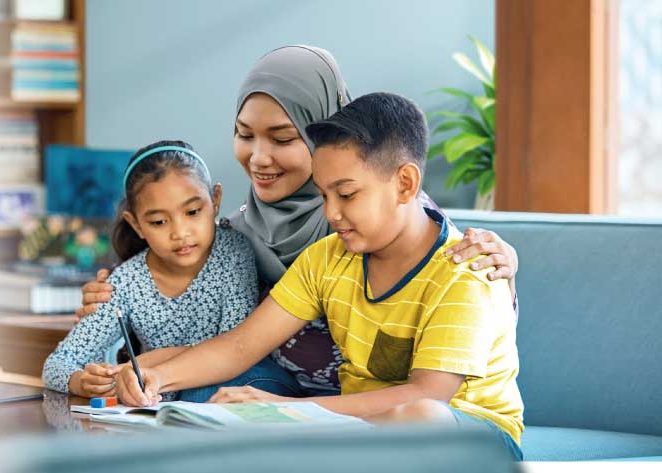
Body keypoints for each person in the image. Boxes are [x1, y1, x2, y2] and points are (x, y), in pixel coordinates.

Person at [76, 45, 520, 401]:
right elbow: (226, 340)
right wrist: (117, 299)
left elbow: (454, 289)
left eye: (284, 138)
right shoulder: (239, 239)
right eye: (245, 134)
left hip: (387, 409)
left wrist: (506, 263)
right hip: (280, 392)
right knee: (201, 390)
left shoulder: (405, 221)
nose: (258, 157)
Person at [115, 93, 523, 460]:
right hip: (358, 432)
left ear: (405, 184)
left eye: (346, 195)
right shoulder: (328, 257)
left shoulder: (467, 269)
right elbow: (241, 345)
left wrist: (285, 411)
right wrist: (156, 376)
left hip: (468, 437)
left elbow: (428, 396)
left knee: (418, 417)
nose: (331, 213)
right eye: (323, 195)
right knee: (220, 402)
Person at [42, 140, 259, 398]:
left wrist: (140, 365)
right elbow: (58, 363)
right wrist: (81, 381)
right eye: (158, 222)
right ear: (136, 224)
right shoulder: (126, 282)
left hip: (222, 396)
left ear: (215, 200)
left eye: (192, 211)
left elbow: (234, 347)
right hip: (154, 409)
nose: (180, 233)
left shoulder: (234, 254)